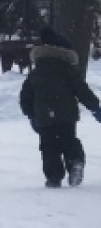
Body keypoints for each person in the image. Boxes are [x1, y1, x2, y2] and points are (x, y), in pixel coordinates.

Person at [20, 26, 101, 187]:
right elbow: (82, 90)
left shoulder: (36, 73)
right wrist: (95, 107)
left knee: (49, 147)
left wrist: (31, 115)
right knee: (69, 140)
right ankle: (75, 161)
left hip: (43, 115)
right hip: (66, 114)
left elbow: (25, 97)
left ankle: (54, 176)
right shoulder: (67, 70)